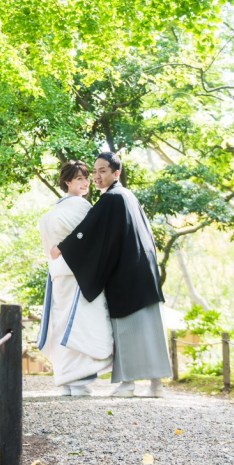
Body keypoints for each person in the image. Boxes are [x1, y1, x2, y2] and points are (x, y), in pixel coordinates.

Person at [51, 152, 172, 398]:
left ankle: (127, 384)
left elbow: (89, 231)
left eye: (102, 171)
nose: (96, 176)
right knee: (149, 329)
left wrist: (63, 247)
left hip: (125, 276)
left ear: (116, 173)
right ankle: (156, 385)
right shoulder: (127, 196)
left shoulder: (112, 198)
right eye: (94, 171)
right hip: (144, 272)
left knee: (126, 330)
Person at [37, 160, 113, 396]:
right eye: (79, 178)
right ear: (67, 182)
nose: (85, 183)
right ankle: (77, 381)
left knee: (64, 325)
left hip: (59, 273)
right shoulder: (83, 208)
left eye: (86, 178)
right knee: (79, 325)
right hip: (78, 274)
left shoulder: (50, 214)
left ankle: (67, 381)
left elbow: (49, 249)